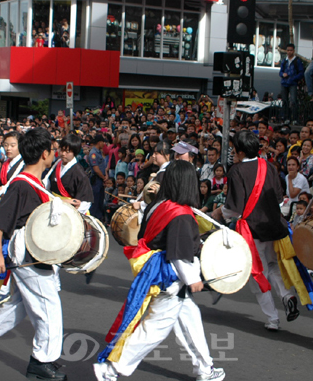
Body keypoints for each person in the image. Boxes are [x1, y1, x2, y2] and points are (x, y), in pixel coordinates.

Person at [94, 160, 225, 381]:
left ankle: (205, 369)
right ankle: (111, 369)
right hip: (171, 279)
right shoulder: (181, 215)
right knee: (153, 331)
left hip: (162, 275)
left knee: (190, 321)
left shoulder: (159, 205)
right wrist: (193, 279)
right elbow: (179, 255)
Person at [0, 129, 68, 380]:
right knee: (48, 306)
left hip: (32, 250)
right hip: (28, 252)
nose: (54, 154)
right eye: (52, 150)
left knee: (18, 308)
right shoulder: (21, 184)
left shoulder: (35, 183)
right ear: (44, 154)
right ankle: (42, 361)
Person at [213, 131, 308, 332]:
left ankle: (273, 318)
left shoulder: (237, 171)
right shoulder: (270, 167)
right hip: (274, 225)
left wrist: (219, 212)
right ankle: (288, 296)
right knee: (272, 266)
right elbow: (280, 197)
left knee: (257, 273)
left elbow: (235, 207)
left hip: (252, 229)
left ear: (239, 151)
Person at [45, 133, 94, 213]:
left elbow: (85, 202)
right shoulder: (57, 164)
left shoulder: (80, 174)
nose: (63, 154)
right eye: (62, 150)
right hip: (53, 207)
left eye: (67, 152)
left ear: (74, 153)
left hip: (69, 212)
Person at [279, 43, 305, 123]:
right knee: (284, 101)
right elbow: (280, 72)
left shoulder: (297, 61)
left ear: (293, 51)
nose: (289, 52)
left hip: (293, 83)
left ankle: (294, 118)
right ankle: (285, 117)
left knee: (293, 101)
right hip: (284, 83)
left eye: (291, 50)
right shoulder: (284, 61)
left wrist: (293, 78)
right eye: (288, 50)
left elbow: (301, 73)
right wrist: (283, 74)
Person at [88, 134, 108, 220]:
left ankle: (99, 217)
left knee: (100, 199)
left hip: (100, 179)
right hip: (96, 180)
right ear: (99, 142)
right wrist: (104, 178)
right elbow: (96, 169)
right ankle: (94, 218)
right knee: (95, 201)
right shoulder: (93, 153)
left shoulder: (99, 152)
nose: (104, 144)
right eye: (103, 142)